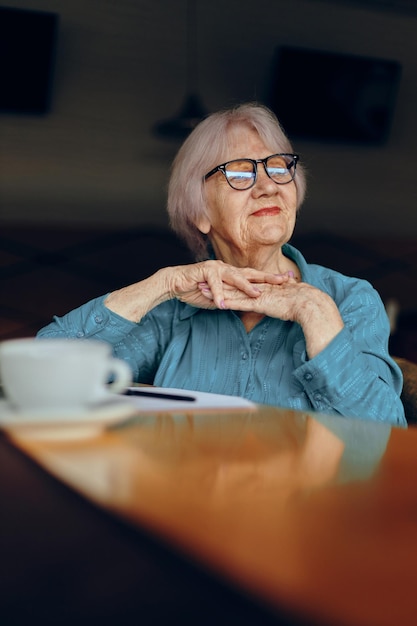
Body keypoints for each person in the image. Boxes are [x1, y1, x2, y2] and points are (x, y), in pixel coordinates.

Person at [37, 103, 406, 426]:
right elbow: (41, 375)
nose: (268, 186)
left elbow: (386, 435)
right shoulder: (174, 311)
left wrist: (316, 312)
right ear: (200, 214)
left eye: (279, 168)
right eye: (241, 173)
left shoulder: (348, 300)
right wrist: (161, 285)